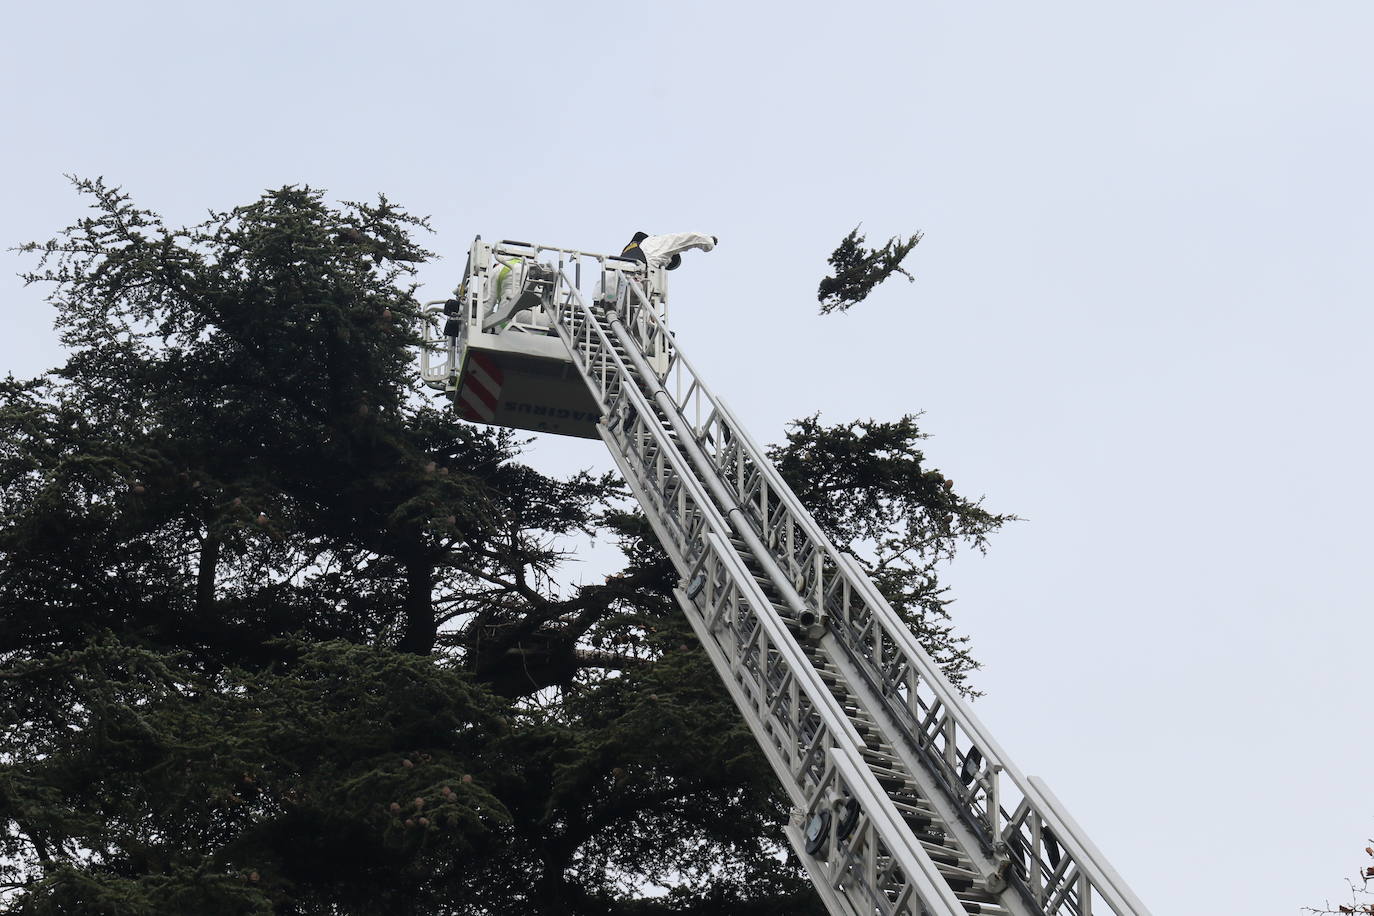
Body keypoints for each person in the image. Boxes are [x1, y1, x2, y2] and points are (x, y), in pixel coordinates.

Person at [620, 231, 717, 270]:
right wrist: (708, 241)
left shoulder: (630, 249)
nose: (665, 265)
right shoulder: (654, 244)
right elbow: (684, 240)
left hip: (612, 285)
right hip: (633, 278)